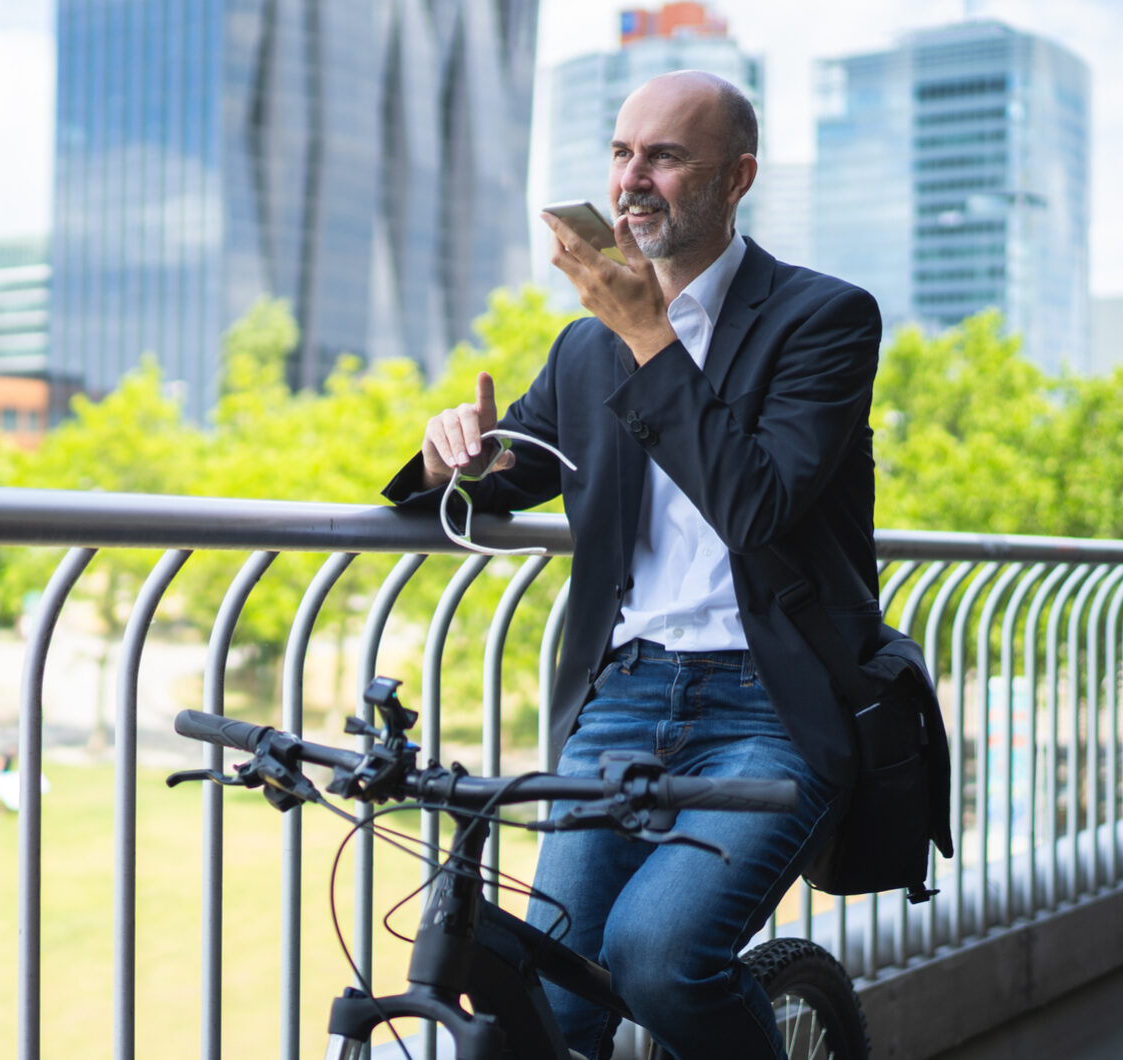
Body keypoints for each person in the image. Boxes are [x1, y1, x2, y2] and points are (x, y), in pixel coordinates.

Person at [382, 70, 883, 1059]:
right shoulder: (584, 349)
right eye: (619, 154)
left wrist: (646, 332)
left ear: (733, 177)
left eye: (663, 156)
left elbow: (755, 506)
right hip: (624, 694)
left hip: (771, 704)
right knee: (551, 995)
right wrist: (453, 456)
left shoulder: (821, 321)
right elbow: (504, 475)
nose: (629, 181)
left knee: (656, 958)